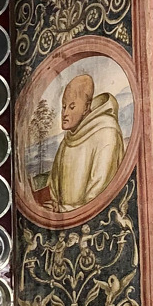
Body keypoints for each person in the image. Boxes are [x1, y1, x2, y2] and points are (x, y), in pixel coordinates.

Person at [45, 73, 125, 212]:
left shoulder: (106, 133)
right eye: (64, 107)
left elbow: (99, 196)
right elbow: (54, 188)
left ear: (86, 107)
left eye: (72, 107)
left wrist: (62, 210)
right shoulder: (67, 140)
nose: (65, 113)